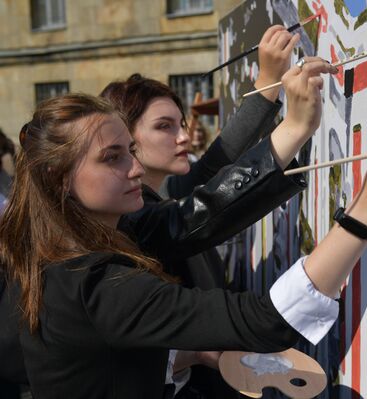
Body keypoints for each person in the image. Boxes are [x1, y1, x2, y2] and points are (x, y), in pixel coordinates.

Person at [0, 61, 367, 398]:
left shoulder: (94, 234)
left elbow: (196, 215)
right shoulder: (92, 283)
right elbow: (266, 320)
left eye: (129, 151)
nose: (134, 168)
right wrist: (364, 212)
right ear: (59, 178)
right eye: (111, 158)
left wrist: (294, 128)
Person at [100, 25, 301, 397]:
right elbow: (208, 203)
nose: (183, 137)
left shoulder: (156, 198)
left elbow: (215, 165)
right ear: (123, 138)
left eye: (181, 124)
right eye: (164, 127)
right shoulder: (130, 219)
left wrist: (269, 83)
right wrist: (296, 125)